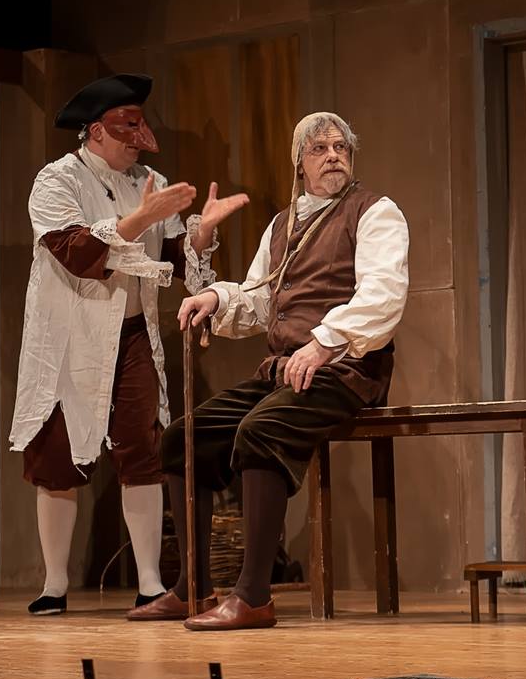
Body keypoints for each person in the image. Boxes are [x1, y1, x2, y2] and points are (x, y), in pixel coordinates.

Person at [128, 112, 409, 630]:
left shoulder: (375, 212)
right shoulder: (283, 225)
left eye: (341, 148)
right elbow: (259, 298)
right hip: (286, 369)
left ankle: (254, 596)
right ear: (299, 164)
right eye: (320, 149)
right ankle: (194, 588)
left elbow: (383, 296)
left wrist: (323, 344)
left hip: (347, 368)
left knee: (260, 429)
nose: (333, 156)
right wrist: (217, 297)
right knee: (183, 438)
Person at [7, 73, 248, 615]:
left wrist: (202, 233)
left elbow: (180, 258)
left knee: (142, 450)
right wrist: (142, 218)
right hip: (70, 340)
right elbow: (76, 252)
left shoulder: (150, 181)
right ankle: (54, 584)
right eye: (126, 130)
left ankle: (149, 581)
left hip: (134, 336)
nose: (138, 142)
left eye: (141, 128)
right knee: (58, 455)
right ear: (96, 131)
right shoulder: (57, 181)